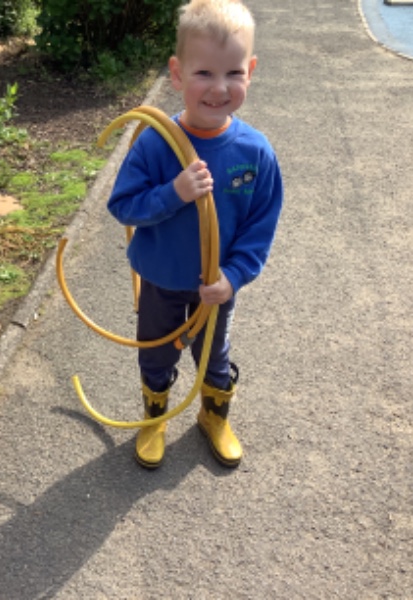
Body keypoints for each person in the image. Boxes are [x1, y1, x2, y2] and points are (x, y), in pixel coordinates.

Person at [107, 0, 283, 469]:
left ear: (251, 71)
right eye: (204, 73)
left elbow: (260, 226)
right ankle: (155, 418)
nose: (219, 88)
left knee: (213, 354)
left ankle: (213, 415)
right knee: (156, 352)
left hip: (215, 286)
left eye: (234, 73)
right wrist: (174, 193)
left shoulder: (255, 152)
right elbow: (122, 206)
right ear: (177, 74)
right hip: (161, 280)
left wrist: (234, 276)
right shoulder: (155, 142)